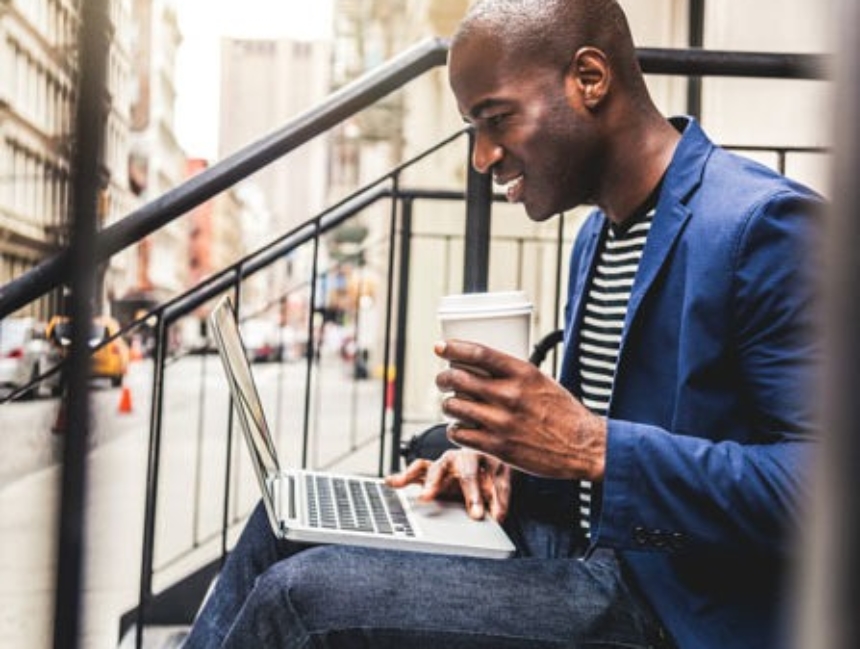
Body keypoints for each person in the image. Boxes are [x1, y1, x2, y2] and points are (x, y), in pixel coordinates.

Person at [183, 0, 822, 646]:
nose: (482, 157)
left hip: (672, 605)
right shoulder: (596, 234)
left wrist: (592, 445)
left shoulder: (763, 227)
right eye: (472, 129)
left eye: (496, 120)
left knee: (300, 599)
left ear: (590, 80)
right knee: (283, 521)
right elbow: (613, 448)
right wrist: (506, 462)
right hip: (587, 548)